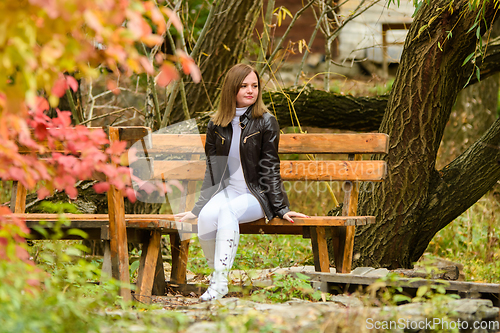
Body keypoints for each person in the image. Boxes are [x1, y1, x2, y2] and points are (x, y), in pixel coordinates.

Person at [174, 63, 309, 301]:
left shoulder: (266, 122)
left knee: (227, 213)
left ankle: (220, 283)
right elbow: (213, 172)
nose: (250, 90)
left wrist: (281, 208)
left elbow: (270, 167)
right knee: (206, 217)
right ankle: (217, 279)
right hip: (228, 193)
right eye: (244, 85)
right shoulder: (216, 125)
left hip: (255, 196)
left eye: (255, 86)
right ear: (231, 89)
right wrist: (197, 209)